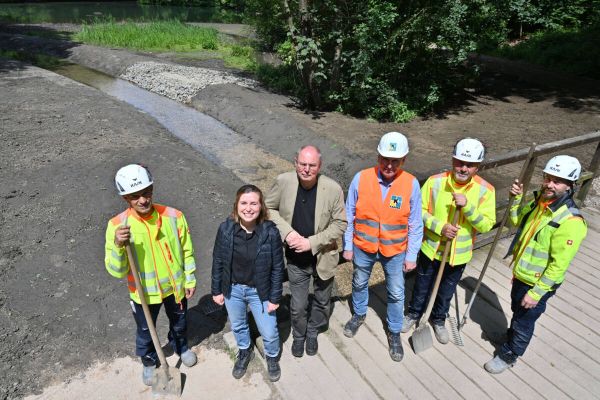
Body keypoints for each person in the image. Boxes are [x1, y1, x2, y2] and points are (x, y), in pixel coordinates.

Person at [484, 155, 587, 373]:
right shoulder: (539, 202)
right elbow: (516, 220)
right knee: (516, 311)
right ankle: (510, 338)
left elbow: (559, 266)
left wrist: (537, 293)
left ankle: (509, 355)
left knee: (524, 322)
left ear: (570, 186)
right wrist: (516, 199)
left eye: (557, 181)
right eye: (548, 177)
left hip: (538, 284)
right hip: (522, 275)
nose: (549, 184)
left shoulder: (571, 221)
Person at [104, 164, 198, 386]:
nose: (143, 200)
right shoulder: (118, 226)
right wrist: (118, 244)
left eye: (146, 193)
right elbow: (116, 271)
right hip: (143, 294)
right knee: (146, 332)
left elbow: (187, 250)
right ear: (126, 198)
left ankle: (180, 346)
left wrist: (190, 278)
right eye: (135, 196)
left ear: (152, 189)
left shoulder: (173, 216)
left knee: (179, 322)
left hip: (174, 288)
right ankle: (148, 362)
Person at [402, 138, 496, 344]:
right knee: (422, 285)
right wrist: (440, 227)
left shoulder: (486, 190)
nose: (463, 168)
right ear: (453, 159)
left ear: (477, 166)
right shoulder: (435, 182)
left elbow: (487, 225)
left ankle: (438, 320)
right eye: (459, 162)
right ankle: (414, 314)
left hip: (459, 254)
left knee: (446, 290)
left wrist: (468, 207)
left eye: (469, 165)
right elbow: (419, 213)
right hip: (432, 249)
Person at [342, 131, 423, 362]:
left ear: (403, 161)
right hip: (363, 246)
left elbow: (416, 223)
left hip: (395, 251)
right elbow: (350, 214)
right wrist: (348, 245)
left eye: (395, 160)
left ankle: (394, 330)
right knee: (358, 281)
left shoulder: (411, 184)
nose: (389, 164)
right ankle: (358, 314)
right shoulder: (361, 178)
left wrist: (411, 255)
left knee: (397, 292)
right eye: (385, 159)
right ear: (378, 156)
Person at [266, 145, 347, 358]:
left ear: (319, 167)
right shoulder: (284, 182)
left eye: (312, 165)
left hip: (324, 257)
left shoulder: (333, 189)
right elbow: (268, 209)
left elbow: (340, 224)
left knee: (322, 300)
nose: (307, 169)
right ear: (295, 163)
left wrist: (311, 243)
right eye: (303, 164)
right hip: (295, 259)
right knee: (298, 305)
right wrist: (288, 234)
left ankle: (313, 332)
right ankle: (299, 335)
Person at [211, 184, 285, 382]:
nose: (249, 208)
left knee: (269, 331)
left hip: (260, 291)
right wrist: (216, 290)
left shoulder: (270, 233)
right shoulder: (226, 229)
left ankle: (271, 356)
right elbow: (218, 260)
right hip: (232, 289)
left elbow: (278, 267)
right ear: (236, 206)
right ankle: (245, 351)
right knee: (238, 325)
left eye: (254, 203)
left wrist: (275, 297)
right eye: (244, 203)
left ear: (261, 206)